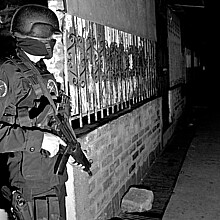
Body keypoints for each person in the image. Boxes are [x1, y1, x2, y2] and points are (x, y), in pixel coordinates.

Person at [0, 4, 73, 220]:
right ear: (36, 34)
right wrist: (38, 140)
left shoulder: (41, 72)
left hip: (53, 177)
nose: (54, 41)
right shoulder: (7, 72)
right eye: (51, 36)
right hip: (31, 185)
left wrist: (66, 144)